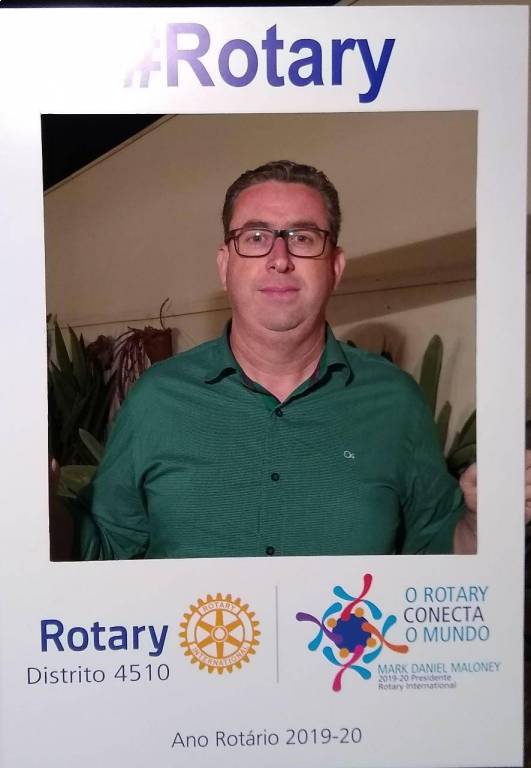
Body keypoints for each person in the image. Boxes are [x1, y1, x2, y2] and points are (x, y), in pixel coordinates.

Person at [49, 160, 525, 560]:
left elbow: (437, 553)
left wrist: (482, 522)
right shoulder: (157, 399)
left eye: (303, 237)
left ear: (335, 266)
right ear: (225, 265)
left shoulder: (395, 402)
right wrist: (40, 510)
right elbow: (102, 548)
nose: (279, 258)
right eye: (256, 237)